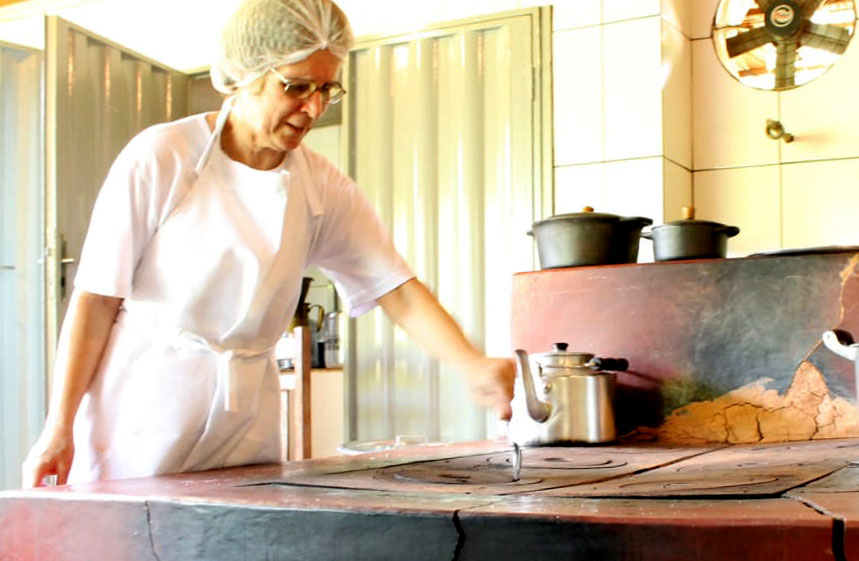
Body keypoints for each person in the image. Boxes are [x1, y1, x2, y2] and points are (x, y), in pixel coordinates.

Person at [21, 0, 514, 488]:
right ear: (243, 76)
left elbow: (395, 287)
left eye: (326, 89)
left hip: (247, 419)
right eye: (296, 87)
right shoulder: (161, 157)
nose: (314, 108)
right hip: (144, 409)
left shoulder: (322, 186)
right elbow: (95, 301)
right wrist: (57, 428)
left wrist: (470, 364)